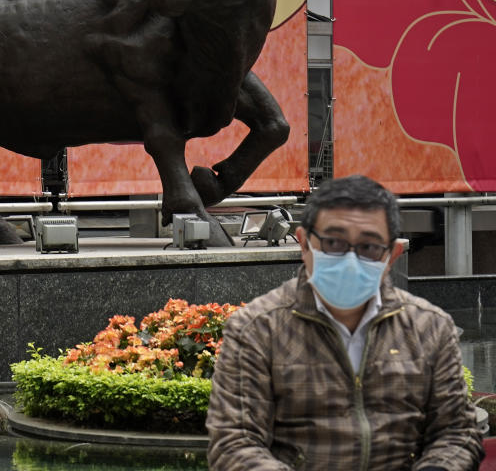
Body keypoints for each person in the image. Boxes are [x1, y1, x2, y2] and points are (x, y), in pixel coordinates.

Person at [206, 174, 483, 470]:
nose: (350, 259)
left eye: (369, 247)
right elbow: (234, 443)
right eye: (334, 243)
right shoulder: (257, 329)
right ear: (304, 243)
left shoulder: (430, 328)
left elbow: (457, 434)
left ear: (392, 255)